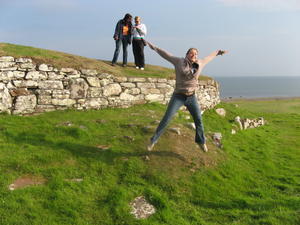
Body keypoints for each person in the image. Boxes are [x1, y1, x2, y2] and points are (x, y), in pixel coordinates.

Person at [146, 41, 228, 152]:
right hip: (178, 96)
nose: (194, 55)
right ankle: (153, 141)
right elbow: (164, 54)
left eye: (196, 54)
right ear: (186, 55)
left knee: (198, 119)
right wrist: (152, 46)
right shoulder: (179, 61)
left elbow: (210, 57)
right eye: (191, 53)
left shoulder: (200, 63)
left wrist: (218, 52)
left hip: (191, 97)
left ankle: (201, 142)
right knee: (167, 118)